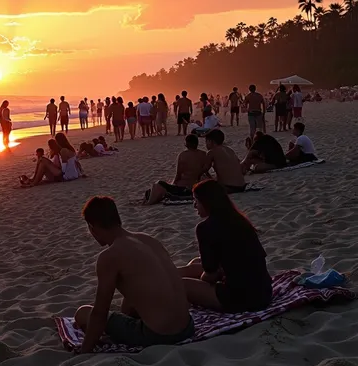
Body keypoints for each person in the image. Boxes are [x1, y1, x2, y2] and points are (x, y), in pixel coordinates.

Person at [74, 197, 193, 350]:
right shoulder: (148, 240)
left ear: (92, 227)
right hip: (188, 327)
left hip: (160, 336)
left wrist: (85, 350)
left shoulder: (110, 256)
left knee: (83, 313)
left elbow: (99, 313)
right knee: (130, 296)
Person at [179, 180, 273, 312]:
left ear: (207, 202)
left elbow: (210, 275)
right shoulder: (239, 220)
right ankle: (165, 275)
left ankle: (163, 280)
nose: (194, 205)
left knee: (181, 285)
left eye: (196, 200)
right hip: (265, 292)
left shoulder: (205, 228)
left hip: (242, 298)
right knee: (196, 263)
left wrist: (203, 280)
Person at [144, 134, 209, 205]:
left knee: (158, 184)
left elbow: (178, 174)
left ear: (187, 144)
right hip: (194, 187)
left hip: (183, 188)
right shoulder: (204, 154)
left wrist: (173, 183)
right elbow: (205, 171)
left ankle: (149, 203)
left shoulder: (183, 155)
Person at [202, 129, 246, 193]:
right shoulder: (230, 150)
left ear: (211, 141)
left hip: (228, 186)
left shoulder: (211, 152)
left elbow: (204, 169)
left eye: (206, 141)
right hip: (241, 186)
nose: (205, 144)